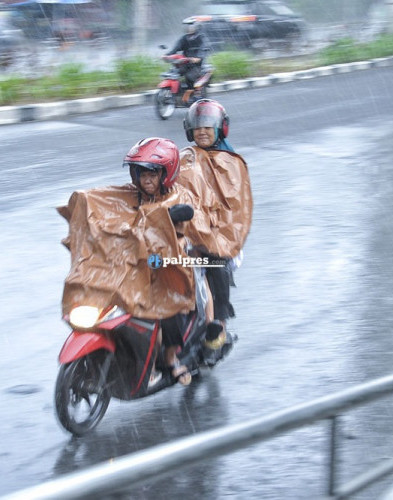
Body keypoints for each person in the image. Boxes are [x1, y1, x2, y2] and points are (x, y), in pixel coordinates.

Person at [178, 99, 253, 359]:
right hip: (186, 230)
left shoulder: (231, 163)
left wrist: (209, 234)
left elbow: (234, 208)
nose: (202, 131)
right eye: (197, 127)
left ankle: (217, 328)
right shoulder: (185, 157)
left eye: (208, 127)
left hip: (219, 236)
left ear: (221, 128)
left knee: (214, 265)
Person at [123, 137, 194, 386]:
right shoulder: (131, 197)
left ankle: (171, 357)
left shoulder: (178, 196)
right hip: (135, 263)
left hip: (167, 266)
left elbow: (184, 230)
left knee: (168, 308)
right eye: (142, 174)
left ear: (166, 174)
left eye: (153, 174)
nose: (147, 180)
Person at [164, 18, 209, 104]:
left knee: (189, 77)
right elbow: (176, 48)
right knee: (173, 73)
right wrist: (166, 55)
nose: (188, 28)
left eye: (191, 26)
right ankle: (177, 93)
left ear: (196, 27)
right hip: (185, 63)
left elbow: (203, 50)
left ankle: (194, 95)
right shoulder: (184, 38)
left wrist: (197, 58)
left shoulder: (201, 38)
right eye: (187, 26)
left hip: (197, 65)